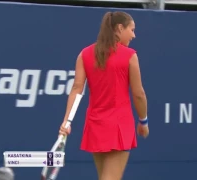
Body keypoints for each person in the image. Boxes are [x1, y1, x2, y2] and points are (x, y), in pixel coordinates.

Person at [59, 11, 149, 180]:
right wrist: (143, 121)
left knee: (105, 177)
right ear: (119, 28)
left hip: (96, 125)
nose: (134, 35)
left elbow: (77, 88)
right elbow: (139, 94)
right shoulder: (130, 56)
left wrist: (67, 121)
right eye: (132, 29)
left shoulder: (84, 54)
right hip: (119, 126)